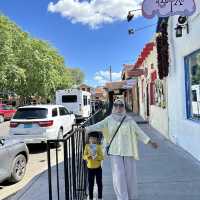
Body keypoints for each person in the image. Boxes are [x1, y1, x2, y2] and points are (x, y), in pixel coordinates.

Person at [85, 99, 158, 200]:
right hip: (115, 151)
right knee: (119, 177)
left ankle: (131, 196)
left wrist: (149, 142)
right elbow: (99, 125)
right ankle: (123, 198)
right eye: (116, 105)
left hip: (128, 151)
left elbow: (139, 132)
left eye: (121, 105)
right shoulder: (109, 119)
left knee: (130, 176)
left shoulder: (129, 120)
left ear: (124, 107)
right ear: (114, 107)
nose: (118, 107)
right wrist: (86, 128)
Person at [83, 131, 104, 200]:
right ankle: (91, 197)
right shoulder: (87, 146)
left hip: (98, 168)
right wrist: (88, 156)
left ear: (97, 139)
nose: (92, 140)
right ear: (89, 139)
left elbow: (102, 157)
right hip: (90, 169)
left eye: (94, 139)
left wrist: (96, 156)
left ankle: (100, 196)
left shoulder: (99, 147)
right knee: (91, 184)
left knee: (99, 183)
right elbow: (83, 156)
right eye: (91, 138)